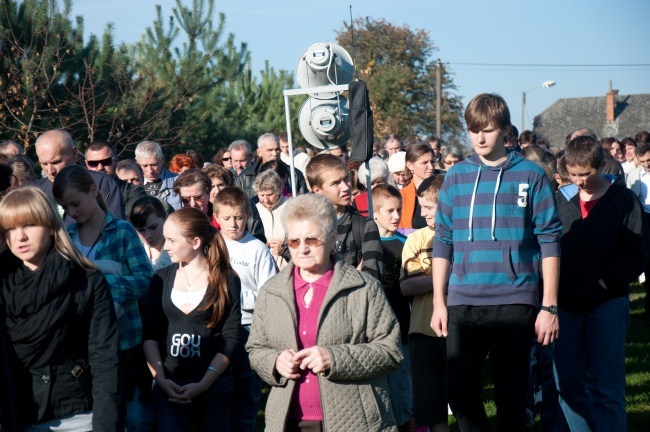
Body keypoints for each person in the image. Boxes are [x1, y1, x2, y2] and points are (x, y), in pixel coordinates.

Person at [430, 93, 562, 431]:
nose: (480, 138)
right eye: (474, 130)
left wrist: (549, 306)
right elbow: (443, 242)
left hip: (515, 301)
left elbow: (549, 241)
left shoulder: (531, 176)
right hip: (463, 303)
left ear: (504, 131)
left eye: (488, 130)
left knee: (513, 400)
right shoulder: (455, 177)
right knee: (460, 396)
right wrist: (438, 303)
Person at [247, 193, 403, 431]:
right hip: (288, 420)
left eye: (312, 240)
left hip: (354, 420)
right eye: (294, 242)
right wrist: (275, 361)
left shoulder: (363, 287)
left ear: (332, 238)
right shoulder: (272, 291)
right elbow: (256, 349)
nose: (303, 249)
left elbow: (390, 351)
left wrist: (335, 358)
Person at [0, 186, 120, 431]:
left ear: (51, 226)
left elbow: (105, 358)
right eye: (10, 228)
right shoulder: (1, 283)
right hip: (18, 413)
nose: (20, 237)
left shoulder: (86, 280)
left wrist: (107, 425)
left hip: (78, 412)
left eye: (30, 225)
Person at [554, 135, 649, 431]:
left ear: (600, 166)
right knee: (568, 386)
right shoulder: (560, 200)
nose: (579, 181)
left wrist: (606, 282)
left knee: (607, 387)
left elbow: (637, 253)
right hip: (565, 306)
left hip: (607, 304)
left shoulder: (623, 200)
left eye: (586, 174)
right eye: (573, 174)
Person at [52, 165, 154, 428]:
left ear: (93, 190)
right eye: (66, 207)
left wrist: (98, 284)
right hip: (83, 345)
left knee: (133, 417)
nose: (72, 212)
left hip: (124, 342)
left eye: (75, 203)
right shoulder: (68, 238)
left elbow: (144, 281)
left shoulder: (122, 231)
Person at [143, 207, 242, 431]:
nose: (165, 246)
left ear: (195, 242)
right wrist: (160, 380)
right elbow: (150, 334)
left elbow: (231, 337)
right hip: (169, 384)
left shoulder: (227, 280)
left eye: (171, 240)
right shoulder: (160, 278)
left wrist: (203, 384)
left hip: (214, 386)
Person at [214, 186, 276, 431]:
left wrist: (233, 296)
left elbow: (268, 294)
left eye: (239, 217)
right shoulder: (213, 245)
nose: (233, 224)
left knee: (246, 390)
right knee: (220, 391)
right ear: (216, 217)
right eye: (227, 218)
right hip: (217, 326)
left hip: (247, 327)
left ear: (248, 216)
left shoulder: (257, 249)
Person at [400, 175, 449, 432]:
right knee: (432, 406)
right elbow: (407, 285)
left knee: (465, 399)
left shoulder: (464, 236)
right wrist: (445, 276)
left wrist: (429, 277)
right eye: (421, 207)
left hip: (458, 329)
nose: (423, 213)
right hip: (422, 330)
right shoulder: (415, 240)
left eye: (429, 207)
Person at [371, 184, 413, 432]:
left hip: (402, 323)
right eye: (390, 211)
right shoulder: (367, 243)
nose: (396, 216)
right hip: (375, 327)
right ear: (375, 213)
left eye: (399, 210)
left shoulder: (406, 243)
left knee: (402, 391)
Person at [306, 153, 384, 280]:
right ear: (317, 190)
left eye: (346, 178)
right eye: (336, 183)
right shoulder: (304, 228)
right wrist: (353, 275)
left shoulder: (365, 226)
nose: (346, 186)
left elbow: (373, 279)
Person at [33, 129, 125, 222]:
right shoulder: (35, 192)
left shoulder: (103, 183)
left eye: (56, 162)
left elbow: (116, 232)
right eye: (44, 164)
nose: (50, 171)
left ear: (74, 153)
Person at [86, 140, 148, 217]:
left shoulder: (133, 192)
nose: (100, 168)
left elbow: (128, 224)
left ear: (115, 161)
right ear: (86, 164)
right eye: (93, 163)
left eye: (106, 162)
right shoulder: (77, 190)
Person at [236, 133, 307, 199]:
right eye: (270, 150)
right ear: (259, 152)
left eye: (277, 149)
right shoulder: (245, 176)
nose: (275, 153)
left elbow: (303, 202)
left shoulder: (295, 175)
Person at [398, 142, 439, 233]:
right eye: (424, 163)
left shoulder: (443, 190)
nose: (431, 167)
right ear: (410, 165)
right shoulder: (402, 196)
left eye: (432, 162)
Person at [254, 170, 289, 269]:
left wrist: (284, 249)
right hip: (262, 267)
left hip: (286, 267)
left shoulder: (291, 207)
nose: (265, 200)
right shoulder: (253, 210)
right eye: (261, 195)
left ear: (279, 190)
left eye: (269, 195)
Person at [135, 140, 182, 210]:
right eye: (144, 166)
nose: (150, 171)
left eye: (154, 165)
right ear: (137, 162)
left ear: (162, 159)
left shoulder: (179, 182)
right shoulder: (132, 185)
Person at [130, 196, 173, 270]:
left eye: (153, 227)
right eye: (141, 230)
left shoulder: (180, 250)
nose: (148, 235)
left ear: (166, 218)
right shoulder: (132, 253)